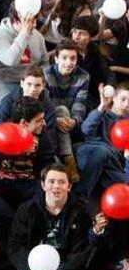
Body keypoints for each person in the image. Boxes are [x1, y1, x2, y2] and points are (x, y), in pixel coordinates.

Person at [9, 164, 102, 270]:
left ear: (69, 186)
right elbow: (15, 247)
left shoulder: (80, 213)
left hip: (65, 266)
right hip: (34, 264)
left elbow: (81, 254)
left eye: (61, 182)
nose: (56, 186)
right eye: (51, 181)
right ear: (43, 184)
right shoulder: (27, 210)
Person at [0, 97, 58, 243]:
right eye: (39, 120)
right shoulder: (2, 133)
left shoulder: (42, 136)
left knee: (46, 192)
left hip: (28, 183)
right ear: (24, 123)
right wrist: (16, 148)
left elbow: (48, 163)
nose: (44, 123)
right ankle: (15, 225)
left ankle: (26, 229)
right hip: (2, 182)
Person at [44, 40, 90, 177]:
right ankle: (68, 158)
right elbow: (45, 104)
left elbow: (80, 103)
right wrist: (56, 119)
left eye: (73, 58)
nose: (69, 62)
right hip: (51, 120)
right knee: (61, 109)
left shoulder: (83, 76)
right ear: (56, 59)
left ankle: (65, 157)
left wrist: (74, 121)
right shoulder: (46, 74)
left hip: (71, 122)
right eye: (64, 58)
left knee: (64, 110)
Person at [0, 8, 49, 109]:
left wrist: (42, 81)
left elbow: (44, 61)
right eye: (30, 21)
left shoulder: (37, 36)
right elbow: (11, 60)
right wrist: (24, 34)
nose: (34, 25)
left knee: (45, 107)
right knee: (8, 107)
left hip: (31, 81)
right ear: (17, 21)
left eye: (35, 20)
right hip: (5, 82)